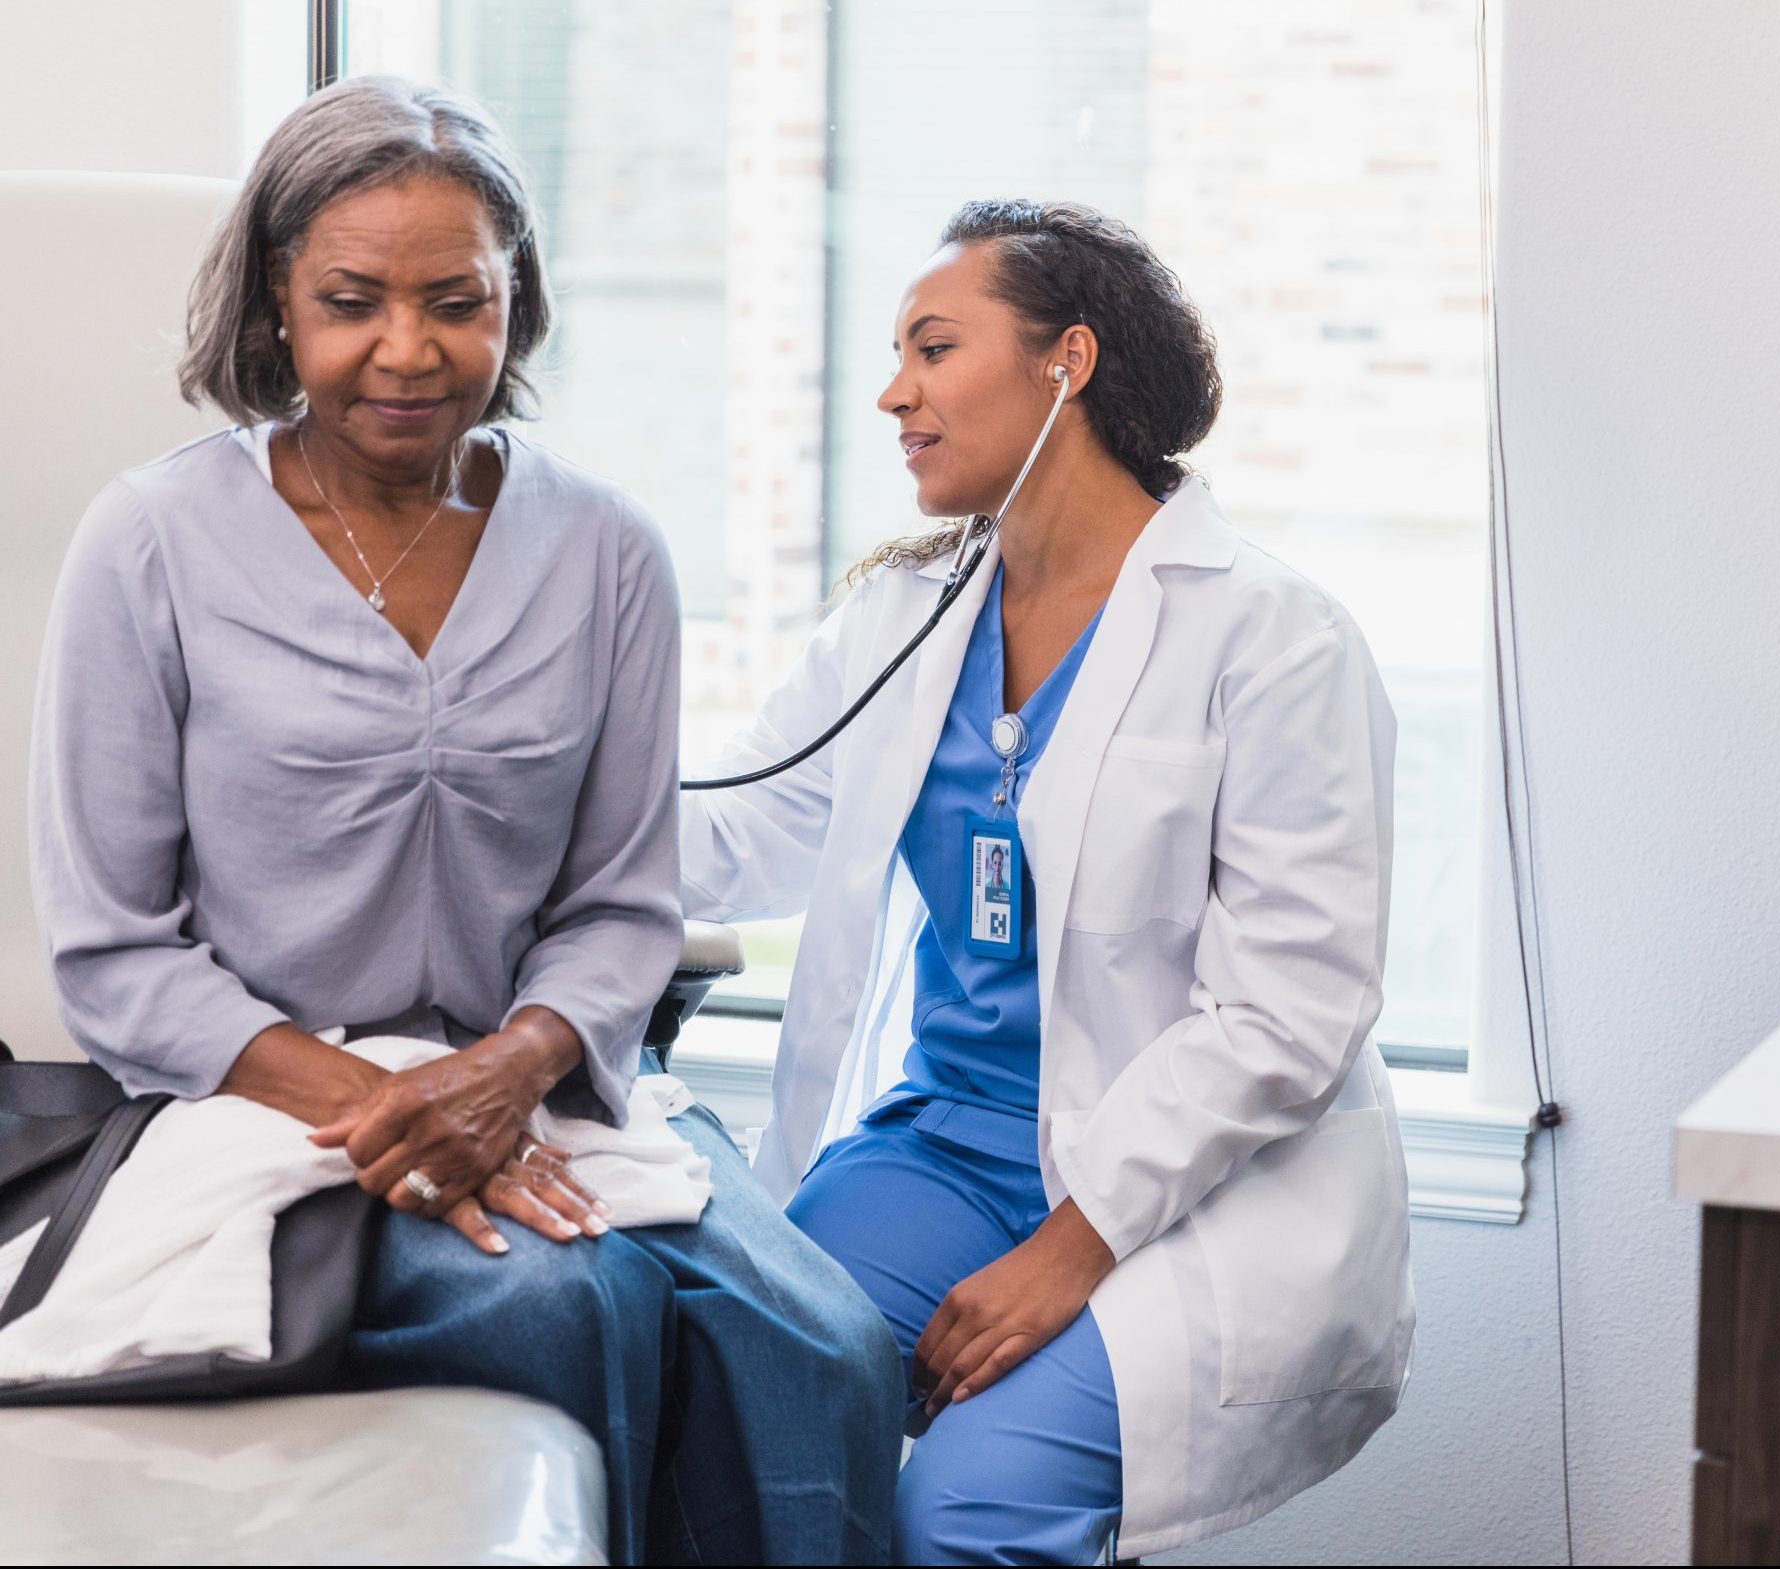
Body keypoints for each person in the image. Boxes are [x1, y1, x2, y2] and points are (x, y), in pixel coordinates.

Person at [28, 76, 898, 1566]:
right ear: (277, 307)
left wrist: (504, 1074)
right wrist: (394, 1110)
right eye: (353, 300)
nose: (409, 350)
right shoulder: (151, 542)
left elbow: (624, 903)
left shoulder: (607, 550)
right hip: (266, 1102)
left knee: (828, 1348)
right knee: (558, 1306)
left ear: (518, 305)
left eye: (458, 301)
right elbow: (114, 950)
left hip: (542, 1083)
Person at [681, 200, 1417, 1565]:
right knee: (741, 1382)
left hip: (1197, 1189)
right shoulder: (902, 620)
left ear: (1065, 361)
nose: (893, 391)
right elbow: (735, 827)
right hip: (949, 1144)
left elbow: (1292, 1013)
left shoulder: (1273, 640)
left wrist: (1074, 1245)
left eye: (934, 347)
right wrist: (507, 795)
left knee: (963, 1509)